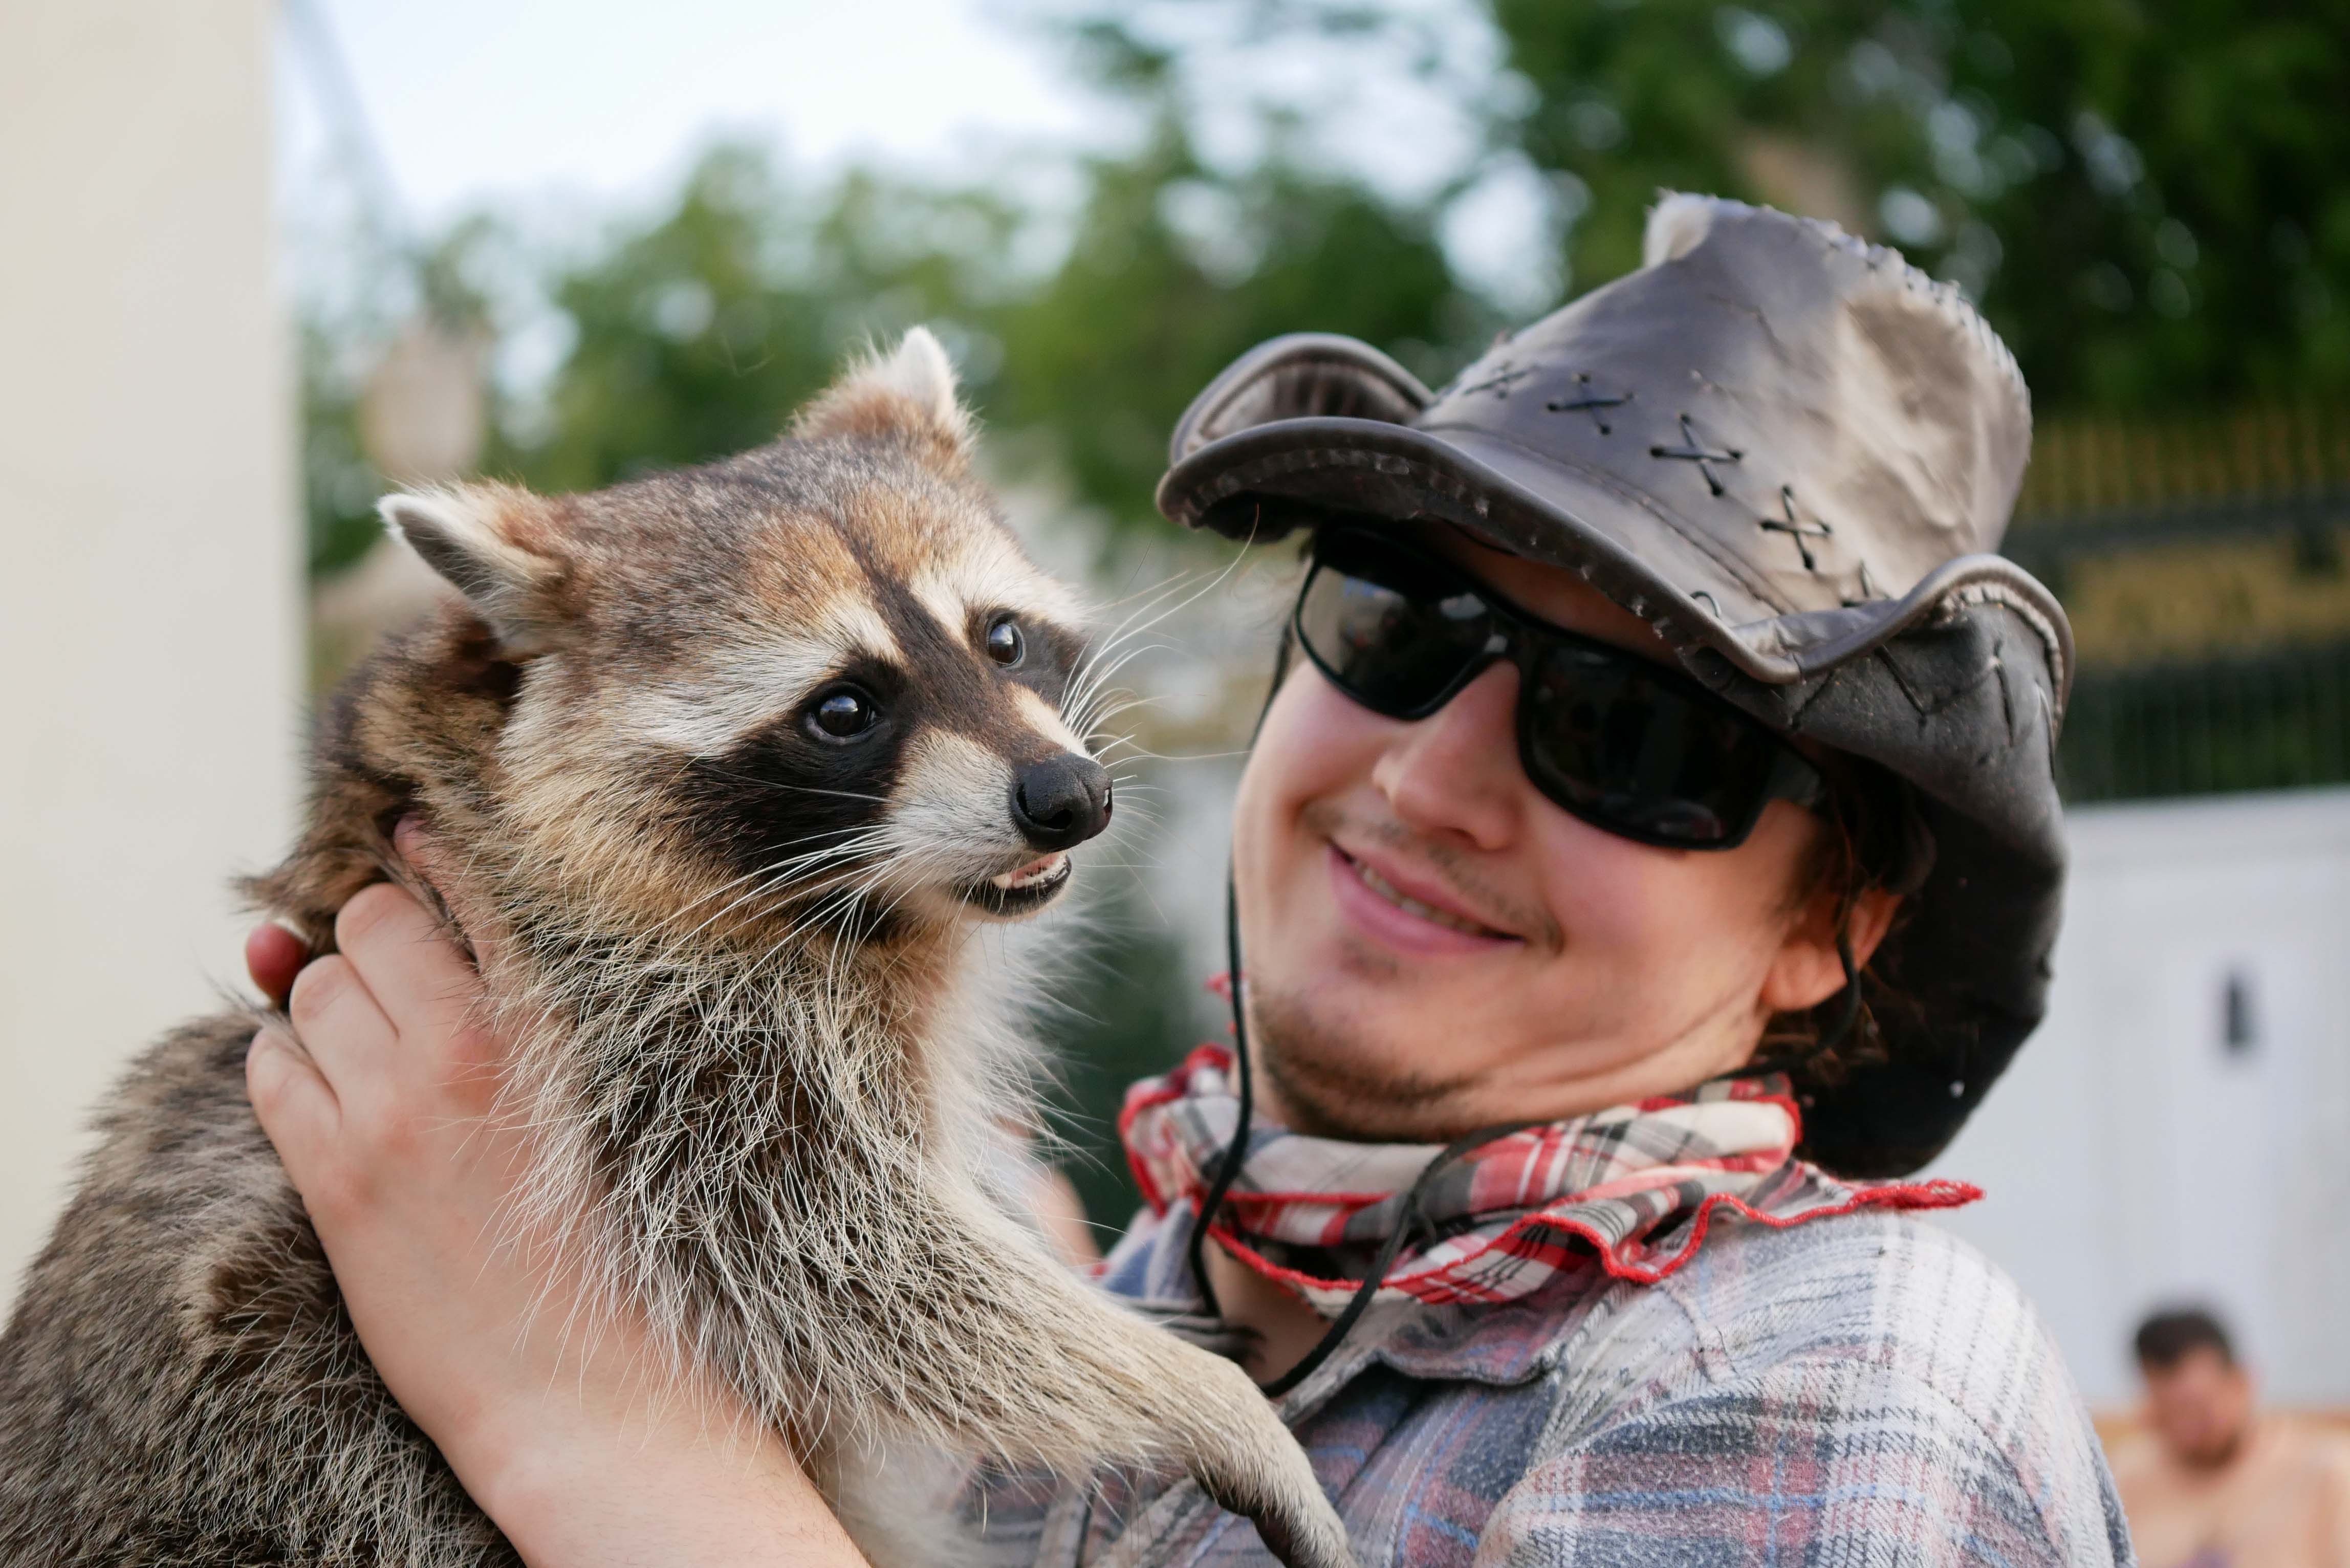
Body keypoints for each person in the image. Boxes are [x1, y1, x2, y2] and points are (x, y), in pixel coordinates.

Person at [242, 195, 2132, 1564]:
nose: (1429, 772)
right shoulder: (1148, 1295)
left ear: (1832, 926)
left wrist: (581, 1420)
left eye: (1636, 740)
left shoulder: (1827, 1378)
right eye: (1403, 622)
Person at [2111, 1308, 2350, 1568]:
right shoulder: (2125, 1480)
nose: (2187, 1430)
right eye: (2169, 1412)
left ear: (2242, 1382)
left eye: (2198, 1408)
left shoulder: (2330, 1474)